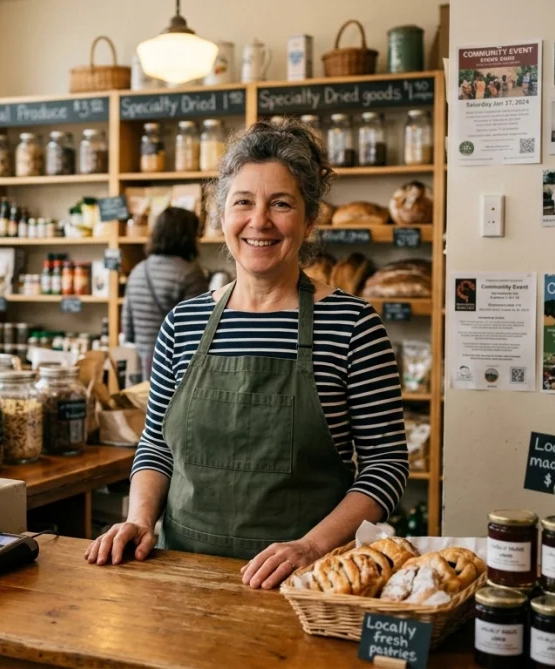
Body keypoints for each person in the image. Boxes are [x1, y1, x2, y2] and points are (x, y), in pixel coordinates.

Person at [85, 120, 409, 589]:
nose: (260, 221)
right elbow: (156, 445)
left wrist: (311, 547)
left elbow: (386, 465)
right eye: (243, 202)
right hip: (181, 576)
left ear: (310, 220)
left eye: (281, 203)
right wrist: (139, 520)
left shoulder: (353, 325)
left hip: (306, 585)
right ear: (221, 216)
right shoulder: (183, 323)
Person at [121, 207, 210, 378]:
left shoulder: (137, 270)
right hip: (176, 368)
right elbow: (198, 330)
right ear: (187, 236)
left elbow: (128, 329)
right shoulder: (189, 273)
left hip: (142, 366)